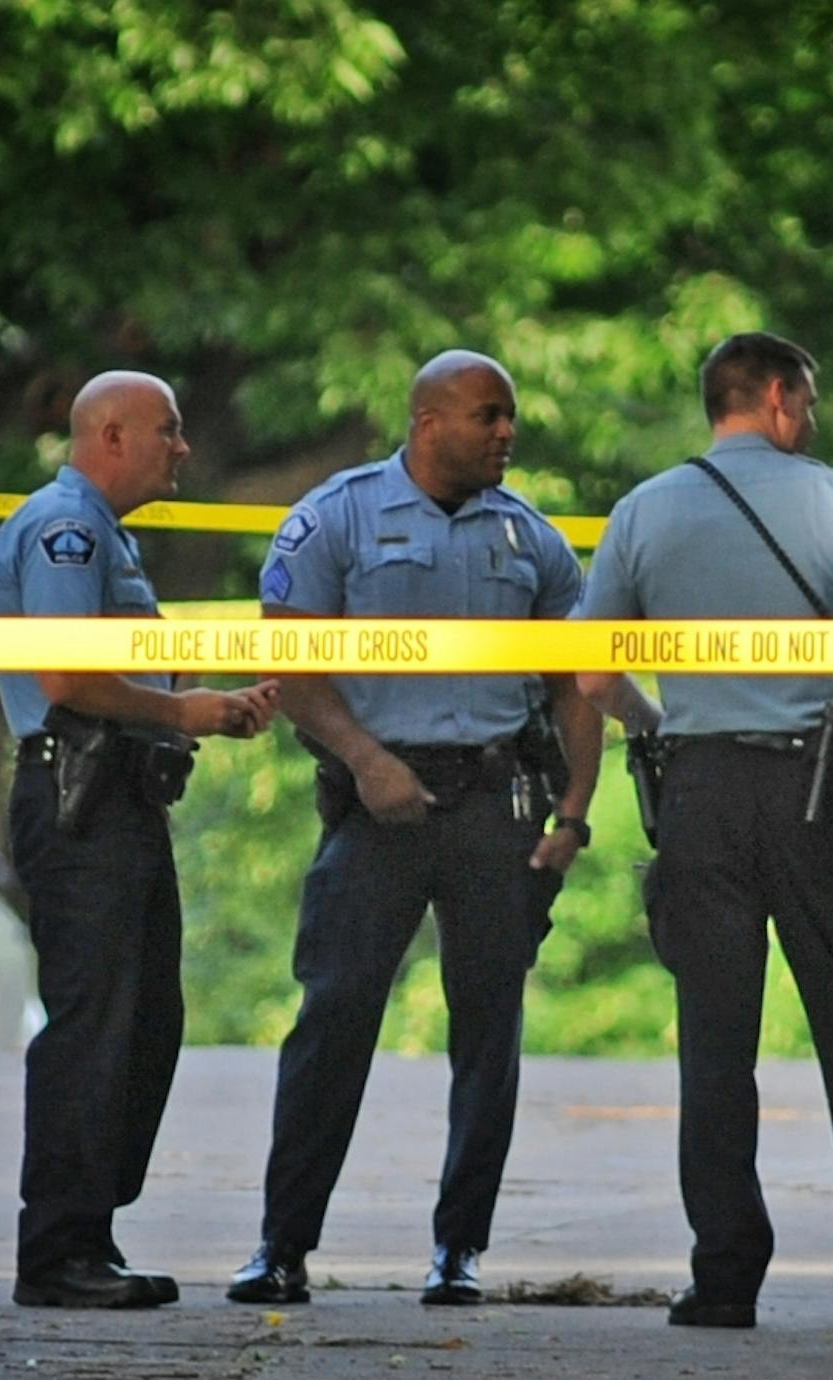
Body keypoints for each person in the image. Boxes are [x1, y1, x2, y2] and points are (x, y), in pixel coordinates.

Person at [226, 350, 638, 1309]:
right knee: (332, 1022)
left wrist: (575, 812)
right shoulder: (339, 516)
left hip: (496, 807)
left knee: (489, 1033)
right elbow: (284, 652)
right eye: (489, 416)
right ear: (427, 423)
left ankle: (460, 1251)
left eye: (510, 419)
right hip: (377, 807)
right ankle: (281, 1246)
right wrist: (366, 758)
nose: (506, 433)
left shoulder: (529, 536)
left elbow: (579, 684)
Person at [574, 331, 833, 1331]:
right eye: (811, 401)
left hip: (700, 792)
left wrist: (661, 726)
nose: (814, 420)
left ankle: (724, 1278)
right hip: (817, 793)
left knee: (714, 1039)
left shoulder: (642, 510)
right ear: (782, 397)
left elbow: (587, 673)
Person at [0, 370, 278, 1310]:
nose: (183, 447)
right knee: (96, 1024)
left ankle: (88, 1237)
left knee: (145, 1022)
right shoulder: (65, 531)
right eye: (169, 430)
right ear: (111, 435)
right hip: (82, 793)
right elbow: (70, 675)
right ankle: (58, 1252)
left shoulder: (105, 535)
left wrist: (200, 706)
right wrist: (183, 707)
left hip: (119, 793)